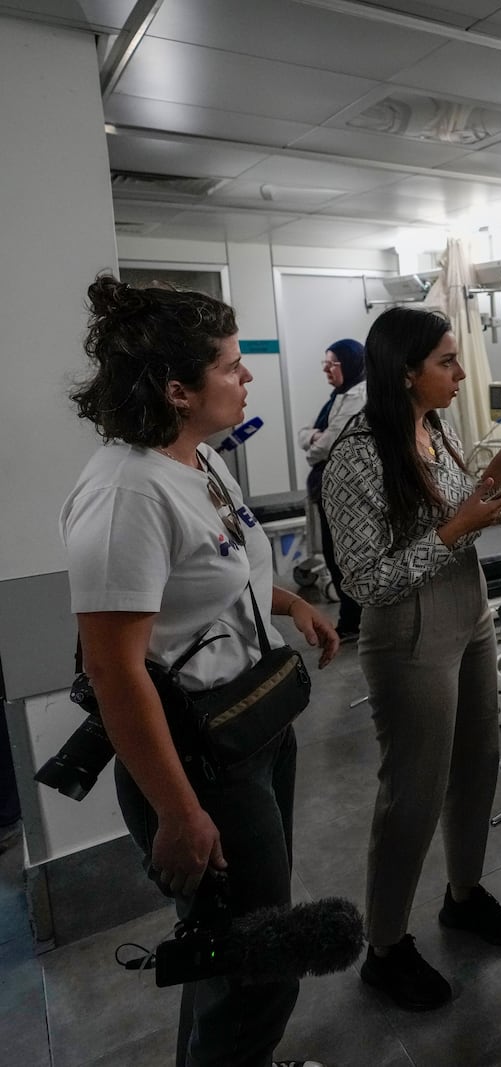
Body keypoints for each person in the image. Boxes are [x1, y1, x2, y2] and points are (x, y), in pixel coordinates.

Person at [61, 275, 339, 1067]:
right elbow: (115, 673)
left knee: (234, 951)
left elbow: (218, 570)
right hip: (195, 764)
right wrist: (178, 814)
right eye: (231, 365)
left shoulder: (196, 461)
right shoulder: (126, 494)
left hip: (250, 727)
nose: (246, 376)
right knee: (258, 964)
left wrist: (288, 603)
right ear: (177, 390)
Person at [321, 305, 501, 1010]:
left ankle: (464, 893)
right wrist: (456, 531)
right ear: (406, 371)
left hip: (468, 610)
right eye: (447, 362)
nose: (459, 372)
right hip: (410, 632)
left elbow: (460, 504)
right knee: (413, 792)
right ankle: (385, 946)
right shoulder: (357, 456)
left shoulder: (437, 427)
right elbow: (365, 583)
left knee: (479, 761)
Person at [297, 338, 367, 642]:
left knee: (344, 554)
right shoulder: (338, 396)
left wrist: (315, 443)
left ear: (350, 364)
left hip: (344, 490)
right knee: (332, 552)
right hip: (326, 486)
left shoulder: (358, 395)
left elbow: (327, 444)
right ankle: (351, 618)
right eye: (325, 363)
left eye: (332, 363)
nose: (326, 369)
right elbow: (305, 434)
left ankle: (353, 620)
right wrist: (314, 440)